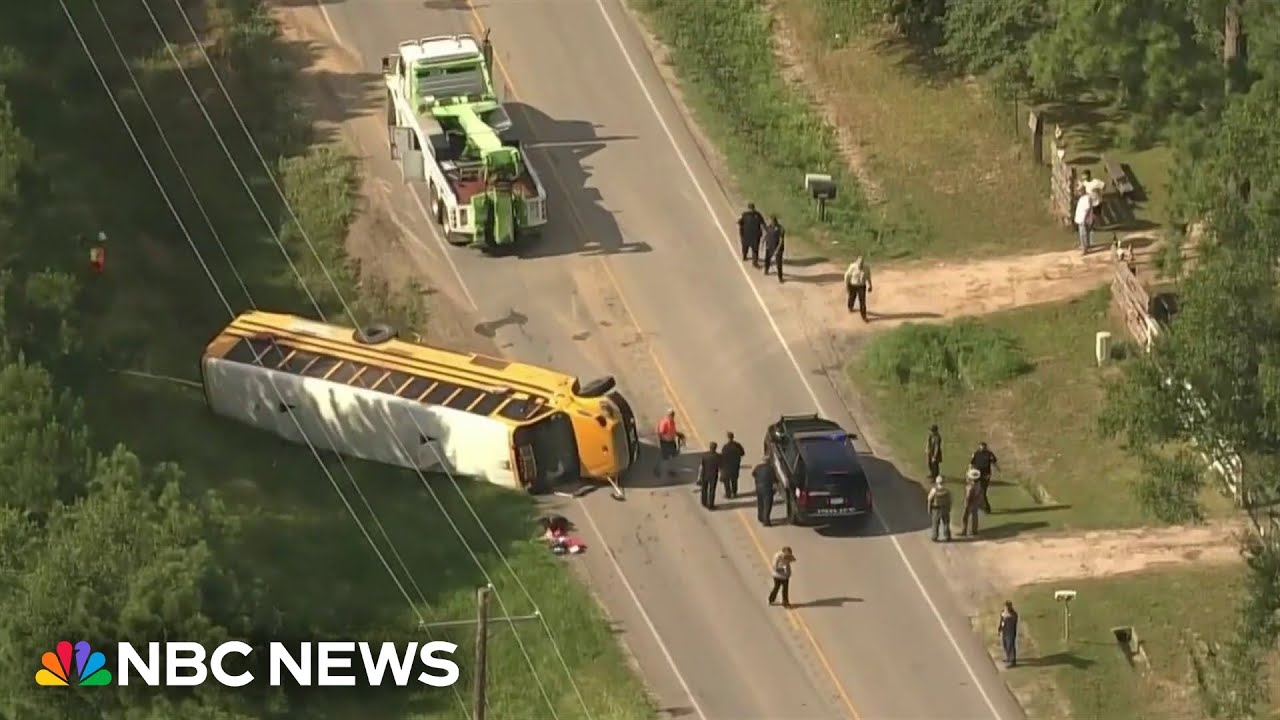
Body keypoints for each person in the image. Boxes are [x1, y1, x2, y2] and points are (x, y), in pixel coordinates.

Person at [969, 441, 999, 513]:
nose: (982, 448)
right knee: (977, 491)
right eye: (981, 446)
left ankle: (987, 508)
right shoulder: (976, 453)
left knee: (983, 491)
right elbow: (971, 463)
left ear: (986, 447)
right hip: (977, 475)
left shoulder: (989, 454)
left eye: (983, 446)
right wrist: (970, 472)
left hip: (986, 475)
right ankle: (981, 505)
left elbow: (994, 461)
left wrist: (997, 468)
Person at [653, 409, 685, 477]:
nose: (673, 416)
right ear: (668, 415)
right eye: (671, 415)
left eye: (673, 415)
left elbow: (672, 430)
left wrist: (677, 434)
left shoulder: (672, 421)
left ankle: (670, 470)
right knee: (664, 457)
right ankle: (657, 470)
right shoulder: (665, 422)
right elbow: (661, 433)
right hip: (665, 442)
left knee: (672, 455)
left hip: (671, 441)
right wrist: (665, 439)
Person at [843, 256, 872, 321]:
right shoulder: (852, 267)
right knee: (852, 297)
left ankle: (864, 316)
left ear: (863, 263)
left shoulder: (866, 268)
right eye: (859, 265)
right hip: (853, 285)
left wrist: (870, 285)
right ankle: (850, 307)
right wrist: (846, 286)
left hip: (861, 286)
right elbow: (847, 277)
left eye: (861, 264)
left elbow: (868, 277)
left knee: (862, 301)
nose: (860, 266)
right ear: (856, 263)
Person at [719, 431, 745, 499]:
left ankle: (728, 494)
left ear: (728, 438)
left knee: (726, 481)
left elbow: (722, 457)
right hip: (735, 465)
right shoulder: (737, 445)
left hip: (727, 466)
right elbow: (742, 453)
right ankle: (734, 493)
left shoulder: (725, 447)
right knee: (734, 480)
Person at [926, 476, 952, 542]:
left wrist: (929, 509)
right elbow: (949, 500)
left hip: (936, 509)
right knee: (946, 523)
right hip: (945, 508)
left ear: (937, 482)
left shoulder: (934, 490)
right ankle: (947, 536)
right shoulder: (946, 490)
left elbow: (929, 499)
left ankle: (935, 537)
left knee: (935, 523)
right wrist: (949, 508)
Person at [762, 216, 785, 282]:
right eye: (771, 221)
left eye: (772, 221)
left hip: (778, 249)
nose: (771, 222)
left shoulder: (781, 229)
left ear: (775, 221)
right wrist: (763, 241)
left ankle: (780, 277)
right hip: (769, 247)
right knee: (767, 259)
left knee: (779, 264)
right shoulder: (769, 227)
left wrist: (777, 250)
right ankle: (766, 270)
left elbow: (781, 241)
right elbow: (767, 234)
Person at [698, 442, 720, 509]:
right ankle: (711, 505)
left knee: (704, 489)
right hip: (713, 475)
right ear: (715, 448)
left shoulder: (705, 455)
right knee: (712, 490)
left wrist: (699, 476)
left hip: (705, 474)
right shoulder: (718, 456)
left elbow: (701, 466)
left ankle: (704, 502)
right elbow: (720, 466)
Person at [753, 462, 777, 526]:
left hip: (758, 487)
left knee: (760, 503)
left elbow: (753, 474)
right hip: (767, 488)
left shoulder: (758, 467)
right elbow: (774, 479)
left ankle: (760, 517)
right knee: (767, 504)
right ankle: (766, 520)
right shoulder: (771, 468)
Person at [960, 468, 982, 537]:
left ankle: (964, 531)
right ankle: (974, 530)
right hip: (976, 502)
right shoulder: (978, 484)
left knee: (965, 517)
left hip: (970, 503)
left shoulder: (971, 487)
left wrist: (967, 504)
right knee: (975, 516)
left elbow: (968, 496)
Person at [998, 601, 1019, 667]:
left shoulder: (1014, 614)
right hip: (1005, 631)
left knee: (1010, 645)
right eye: (1005, 607)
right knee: (1005, 644)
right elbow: (1001, 621)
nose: (1006, 609)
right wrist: (999, 629)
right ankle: (1008, 657)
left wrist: (1007, 617)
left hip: (1011, 632)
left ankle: (1012, 661)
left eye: (1007, 607)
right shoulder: (1003, 613)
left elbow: (1013, 622)